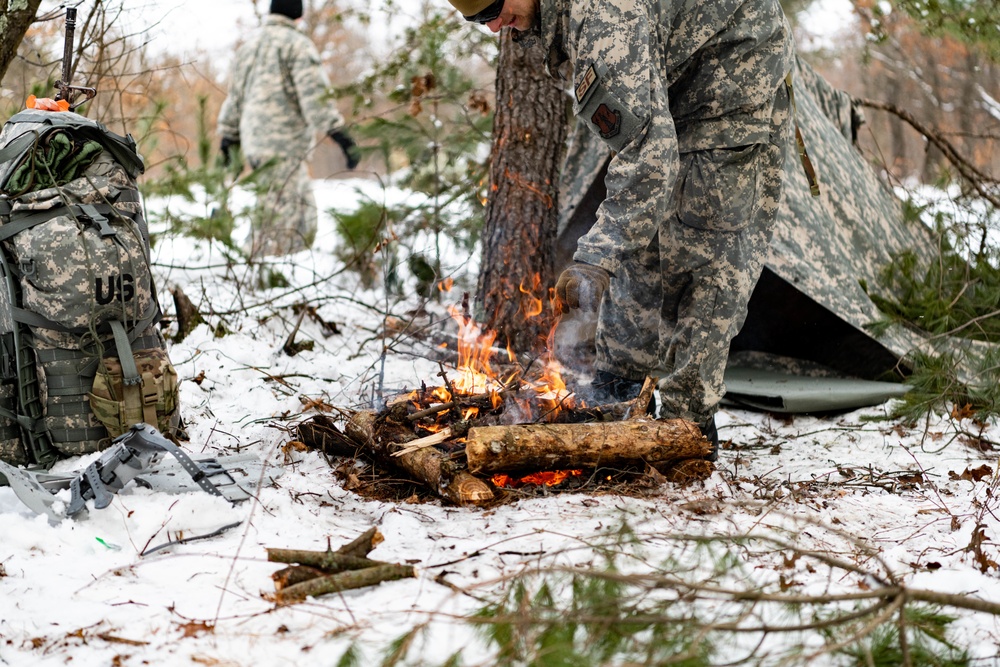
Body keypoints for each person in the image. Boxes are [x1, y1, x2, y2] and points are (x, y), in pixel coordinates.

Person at [446, 0, 795, 459]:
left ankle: (686, 432)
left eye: (493, 6)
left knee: (704, 265)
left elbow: (648, 157)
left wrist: (595, 257)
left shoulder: (605, 15)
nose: (493, 27)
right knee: (642, 244)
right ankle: (619, 389)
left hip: (733, 94)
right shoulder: (568, 16)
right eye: (477, 20)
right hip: (679, 87)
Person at [217, 0, 359, 256]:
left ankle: (277, 271)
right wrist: (340, 134)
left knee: (294, 212)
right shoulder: (297, 45)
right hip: (284, 146)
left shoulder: (249, 47)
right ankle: (269, 276)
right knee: (285, 222)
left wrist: (229, 137)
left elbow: (234, 98)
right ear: (298, 16)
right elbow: (315, 96)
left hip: (255, 145)